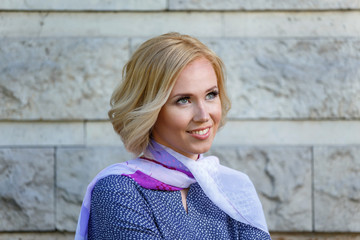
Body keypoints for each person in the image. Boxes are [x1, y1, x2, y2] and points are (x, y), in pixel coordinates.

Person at [75, 32, 271, 240]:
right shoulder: (118, 191)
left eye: (211, 95)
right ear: (150, 109)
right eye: (183, 100)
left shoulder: (233, 190)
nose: (204, 115)